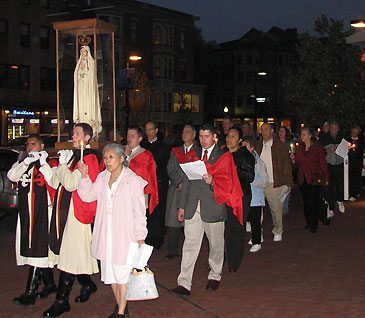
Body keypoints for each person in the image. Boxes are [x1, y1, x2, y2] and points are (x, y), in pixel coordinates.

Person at [78, 143, 147, 318]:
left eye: (111, 157)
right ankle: (120, 306)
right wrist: (85, 177)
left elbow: (138, 211)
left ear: (121, 158)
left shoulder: (132, 180)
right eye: (105, 157)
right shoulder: (102, 177)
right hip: (106, 232)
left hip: (125, 234)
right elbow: (88, 196)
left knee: (122, 274)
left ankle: (121, 312)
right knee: (112, 275)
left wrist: (140, 237)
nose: (107, 161)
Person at [173, 124, 243, 295]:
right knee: (190, 243)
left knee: (216, 244)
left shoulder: (223, 156)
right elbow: (186, 181)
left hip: (213, 205)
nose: (203, 140)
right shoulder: (194, 154)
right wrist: (182, 206)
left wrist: (213, 181)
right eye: (201, 136)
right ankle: (184, 282)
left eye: (206, 136)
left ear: (214, 137)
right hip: (193, 205)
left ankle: (215, 275)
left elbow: (228, 182)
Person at [44, 123, 101, 318]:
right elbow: (58, 181)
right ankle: (88, 284)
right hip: (66, 212)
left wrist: (62, 167)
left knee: (70, 257)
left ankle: (61, 301)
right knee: (73, 255)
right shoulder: (74, 157)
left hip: (78, 214)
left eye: (77, 133)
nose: (73, 136)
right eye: (73, 133)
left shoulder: (90, 157)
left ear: (87, 137)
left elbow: (69, 184)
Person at [7, 135, 57, 306]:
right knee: (34, 248)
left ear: (42, 146)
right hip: (27, 213)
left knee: (39, 249)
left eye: (33, 144)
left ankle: (30, 292)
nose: (29, 147)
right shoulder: (23, 161)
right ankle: (50, 284)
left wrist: (43, 164)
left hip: (43, 212)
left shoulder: (49, 162)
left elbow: (54, 182)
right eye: (28, 144)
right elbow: (13, 176)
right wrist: (26, 163)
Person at [165, 125, 199, 259]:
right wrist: (178, 182)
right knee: (173, 219)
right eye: (183, 131)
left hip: (192, 189)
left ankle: (189, 250)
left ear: (194, 135)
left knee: (190, 220)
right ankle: (172, 249)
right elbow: (170, 167)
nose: (184, 134)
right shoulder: (176, 151)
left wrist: (187, 184)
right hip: (176, 188)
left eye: (188, 132)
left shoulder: (199, 151)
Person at [256, 123, 293, 242]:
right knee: (257, 209)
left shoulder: (279, 146)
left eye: (266, 129)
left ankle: (278, 230)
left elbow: (286, 165)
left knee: (276, 209)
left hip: (273, 181)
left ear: (272, 131)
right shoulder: (258, 145)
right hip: (259, 182)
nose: (264, 132)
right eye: (262, 130)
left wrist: (288, 182)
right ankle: (257, 232)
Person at [225, 126, 255, 271]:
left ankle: (234, 261)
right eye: (228, 136)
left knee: (237, 228)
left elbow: (250, 177)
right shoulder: (223, 153)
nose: (229, 139)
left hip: (240, 196)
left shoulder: (245, 156)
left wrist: (236, 168)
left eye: (233, 137)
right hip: (225, 195)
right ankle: (226, 255)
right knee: (226, 228)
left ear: (240, 140)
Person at [293, 128, 330, 232]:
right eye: (301, 134)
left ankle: (314, 225)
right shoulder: (300, 147)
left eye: (304, 134)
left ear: (309, 136)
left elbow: (322, 163)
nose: (302, 136)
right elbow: (299, 163)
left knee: (313, 201)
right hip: (303, 178)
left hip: (314, 177)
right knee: (306, 202)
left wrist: (326, 177)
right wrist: (294, 159)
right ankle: (309, 222)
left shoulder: (317, 147)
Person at [141, 121, 171, 249]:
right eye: (147, 130)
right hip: (145, 182)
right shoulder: (143, 145)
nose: (149, 132)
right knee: (146, 210)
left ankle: (157, 238)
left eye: (151, 129)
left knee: (158, 210)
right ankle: (147, 236)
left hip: (158, 181)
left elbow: (163, 164)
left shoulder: (163, 146)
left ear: (156, 130)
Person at [124, 126, 159, 217]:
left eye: (132, 136)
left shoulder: (145, 154)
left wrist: (128, 158)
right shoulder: (122, 152)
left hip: (138, 193)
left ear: (140, 138)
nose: (129, 138)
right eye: (128, 136)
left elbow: (141, 172)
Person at [242, 136, 269, 253]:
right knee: (248, 218)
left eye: (246, 145)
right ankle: (256, 236)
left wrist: (251, 181)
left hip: (256, 197)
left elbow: (264, 180)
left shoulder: (258, 163)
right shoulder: (242, 160)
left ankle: (257, 241)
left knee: (255, 219)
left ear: (252, 147)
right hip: (245, 195)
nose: (242, 148)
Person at [73, 45, 102, 137]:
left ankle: (91, 123)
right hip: (81, 88)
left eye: (84, 51)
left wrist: (85, 70)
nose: (83, 53)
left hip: (88, 88)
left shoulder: (91, 62)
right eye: (81, 52)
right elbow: (76, 75)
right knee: (81, 104)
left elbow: (92, 76)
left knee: (89, 104)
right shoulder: (79, 63)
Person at [320, 120, 345, 216]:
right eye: (333, 128)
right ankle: (330, 207)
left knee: (340, 184)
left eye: (336, 128)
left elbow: (347, 148)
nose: (334, 130)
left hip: (339, 163)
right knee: (329, 186)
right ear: (329, 128)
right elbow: (319, 151)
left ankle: (340, 200)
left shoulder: (342, 137)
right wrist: (327, 150)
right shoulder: (324, 137)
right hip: (328, 164)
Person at [346, 125, 364, 201]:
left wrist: (354, 149)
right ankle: (350, 193)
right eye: (353, 132)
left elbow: (361, 150)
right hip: (349, 162)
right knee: (350, 177)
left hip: (357, 162)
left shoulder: (361, 140)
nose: (354, 133)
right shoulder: (347, 139)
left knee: (356, 177)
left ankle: (355, 193)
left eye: (356, 132)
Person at [278, 126, 293, 216]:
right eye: (279, 131)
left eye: (283, 131)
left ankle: (285, 206)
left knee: (286, 187)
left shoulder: (289, 144)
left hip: (286, 168)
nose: (280, 133)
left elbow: (292, 156)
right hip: (277, 169)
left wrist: (292, 157)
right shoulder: (275, 143)